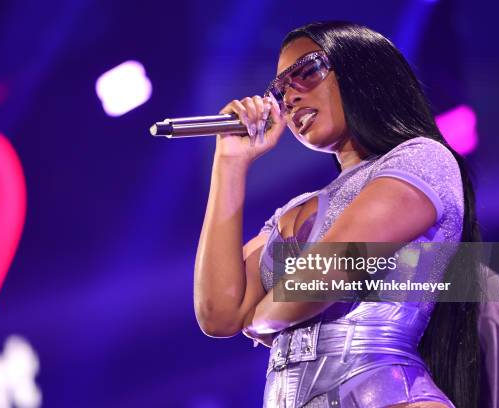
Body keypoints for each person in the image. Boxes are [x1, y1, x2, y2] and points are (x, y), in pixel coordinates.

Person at [193, 21, 483, 407]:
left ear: (361, 70)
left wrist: (260, 317)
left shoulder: (421, 158)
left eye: (305, 72)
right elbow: (218, 314)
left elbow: (324, 275)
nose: (289, 98)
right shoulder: (291, 211)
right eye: (280, 90)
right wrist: (229, 162)